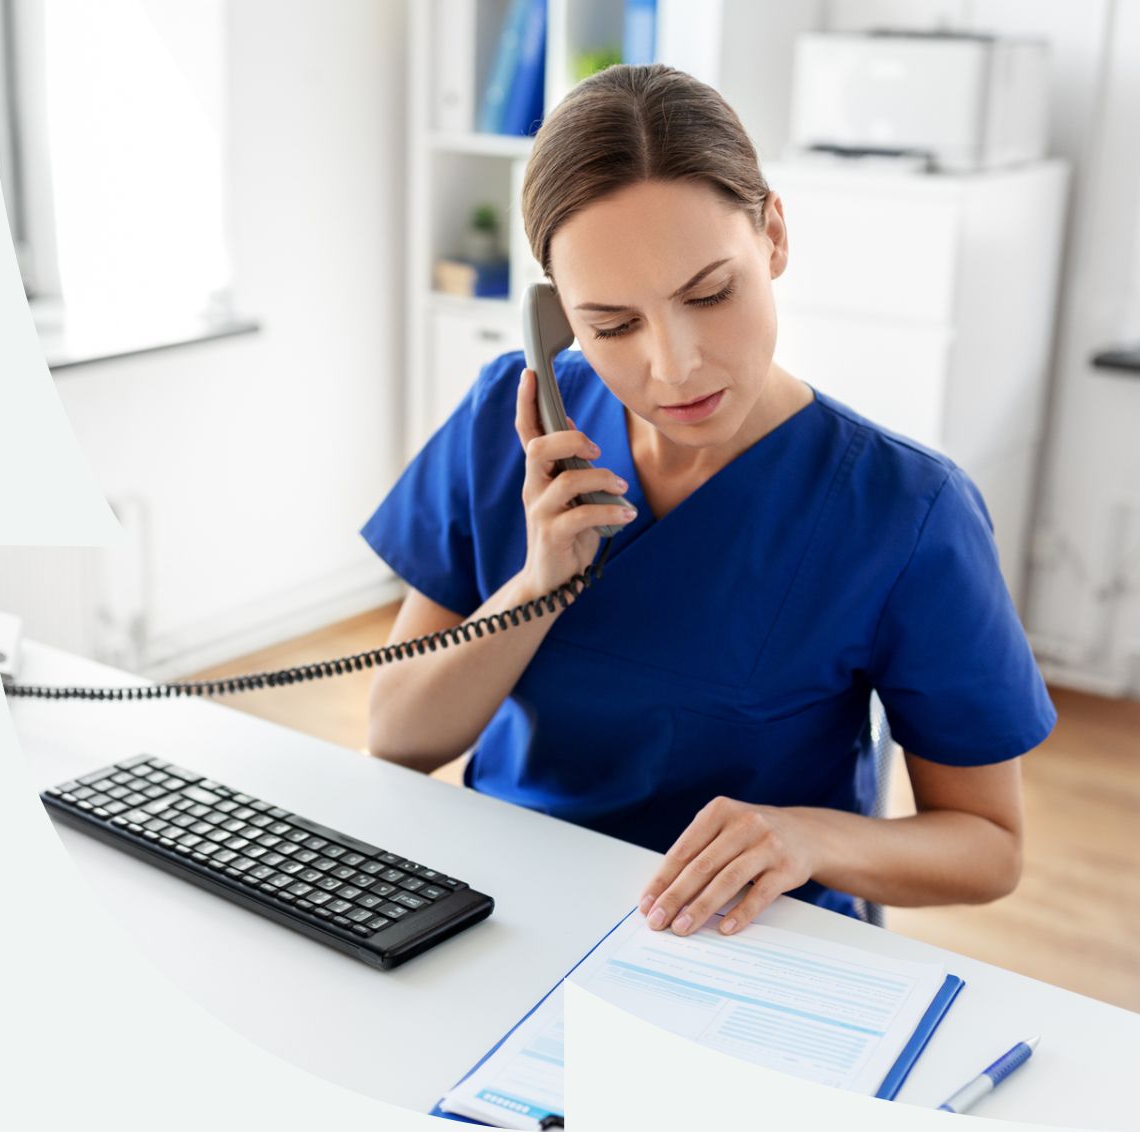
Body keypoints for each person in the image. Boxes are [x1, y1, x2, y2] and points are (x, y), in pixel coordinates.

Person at [361, 64, 1056, 937]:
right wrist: (536, 585)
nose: (674, 365)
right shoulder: (512, 426)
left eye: (710, 293)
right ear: (558, 318)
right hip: (508, 914)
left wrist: (804, 838)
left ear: (772, 235)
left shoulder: (905, 511)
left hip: (747, 943)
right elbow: (397, 737)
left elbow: (989, 846)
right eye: (612, 325)